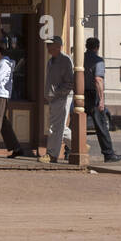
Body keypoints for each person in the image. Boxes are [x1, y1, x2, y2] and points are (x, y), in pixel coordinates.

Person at [84, 37, 121, 163]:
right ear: (97, 47)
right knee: (101, 125)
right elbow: (98, 80)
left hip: (81, 94)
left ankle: (69, 150)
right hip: (93, 94)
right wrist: (101, 100)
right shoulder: (98, 61)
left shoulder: (80, 58)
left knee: (76, 123)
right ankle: (108, 153)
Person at [41, 35, 74, 163]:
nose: (47, 47)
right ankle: (79, 145)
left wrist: (57, 93)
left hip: (62, 97)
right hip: (54, 98)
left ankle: (52, 154)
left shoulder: (65, 60)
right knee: (60, 127)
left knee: (55, 127)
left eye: (50, 44)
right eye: (47, 44)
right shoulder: (51, 61)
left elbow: (70, 82)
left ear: (58, 46)